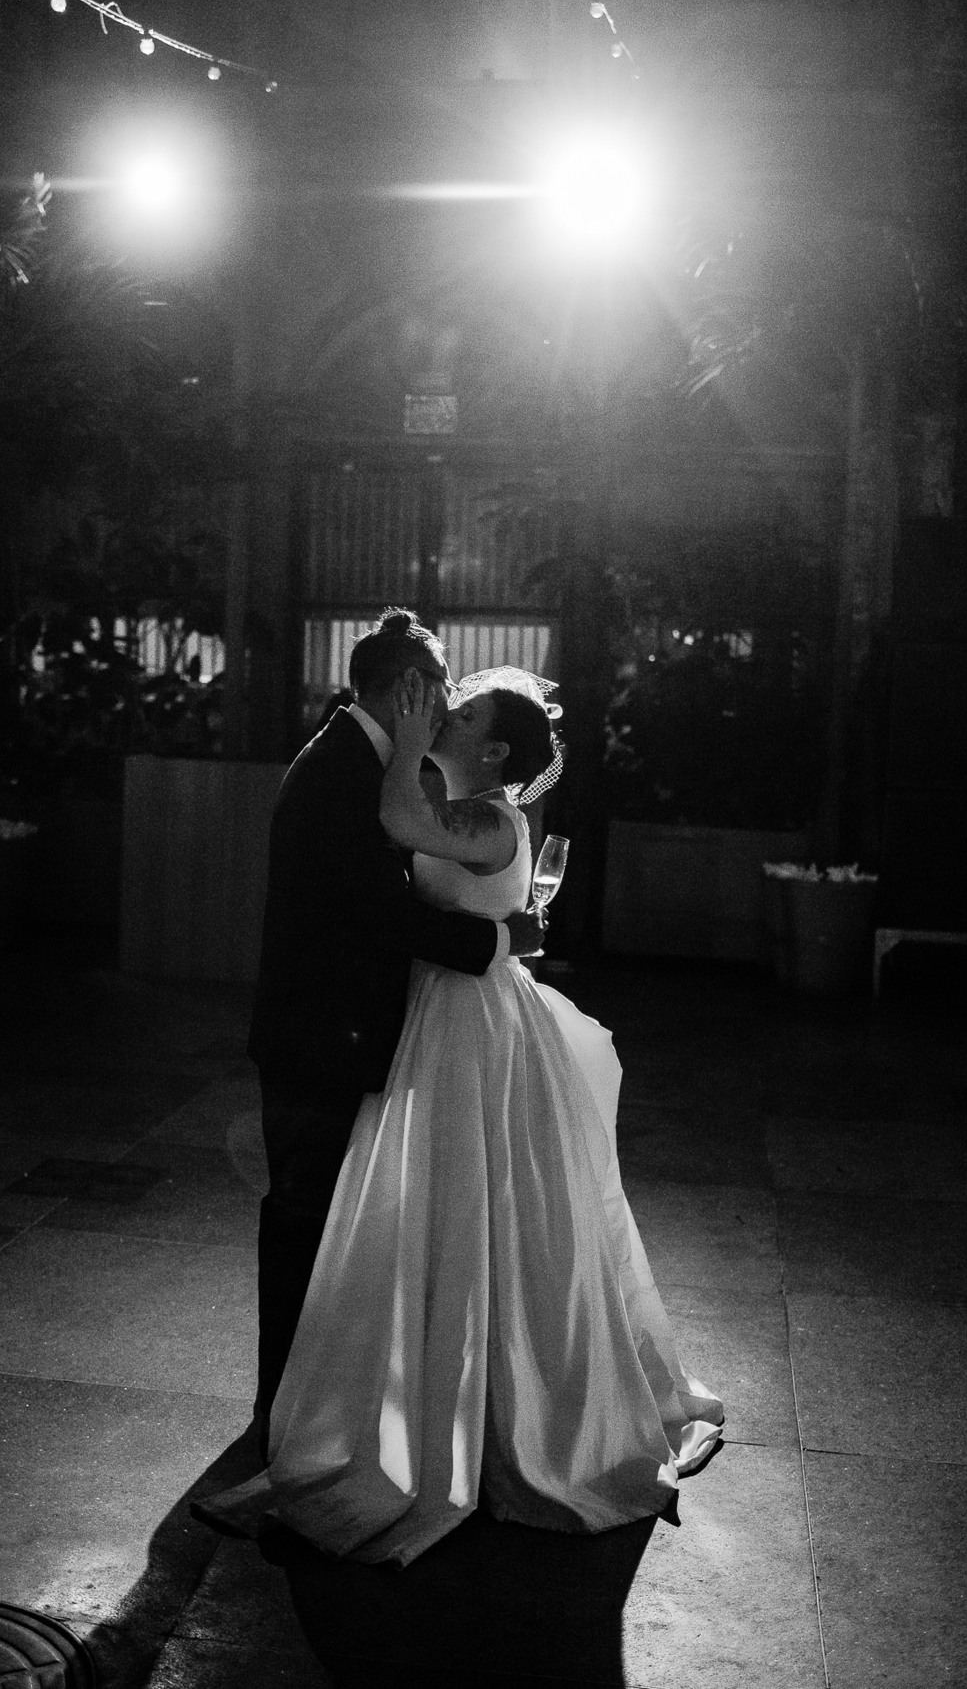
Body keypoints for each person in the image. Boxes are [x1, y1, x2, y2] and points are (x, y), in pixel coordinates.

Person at [192, 662, 723, 1566]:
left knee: (467, 1204)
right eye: (440, 696)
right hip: (437, 1013)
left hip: (464, 1024)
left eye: (462, 710)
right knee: (437, 1208)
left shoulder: (481, 816)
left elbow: (402, 826)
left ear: (497, 749)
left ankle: (472, 1405)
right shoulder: (459, 803)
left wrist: (400, 735)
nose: (446, 712)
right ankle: (424, 1388)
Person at [240, 610, 546, 1455]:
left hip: (370, 1028)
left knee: (369, 1222)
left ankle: (325, 1397)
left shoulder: (375, 766)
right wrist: (497, 939)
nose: (450, 702)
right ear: (409, 687)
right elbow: (381, 912)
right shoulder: (343, 770)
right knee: (306, 1219)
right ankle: (283, 1410)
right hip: (320, 1034)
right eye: (442, 685)